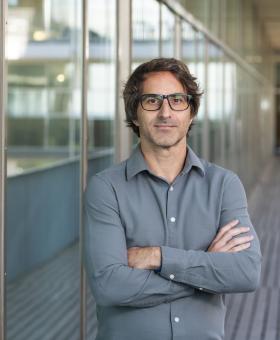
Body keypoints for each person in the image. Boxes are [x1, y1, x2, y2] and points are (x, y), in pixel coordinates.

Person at [84, 58, 261, 340]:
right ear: (134, 113)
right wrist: (206, 270)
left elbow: (246, 272)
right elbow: (109, 286)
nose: (165, 112)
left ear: (191, 112)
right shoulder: (107, 188)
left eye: (177, 100)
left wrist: (157, 257)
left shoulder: (224, 185)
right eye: (152, 101)